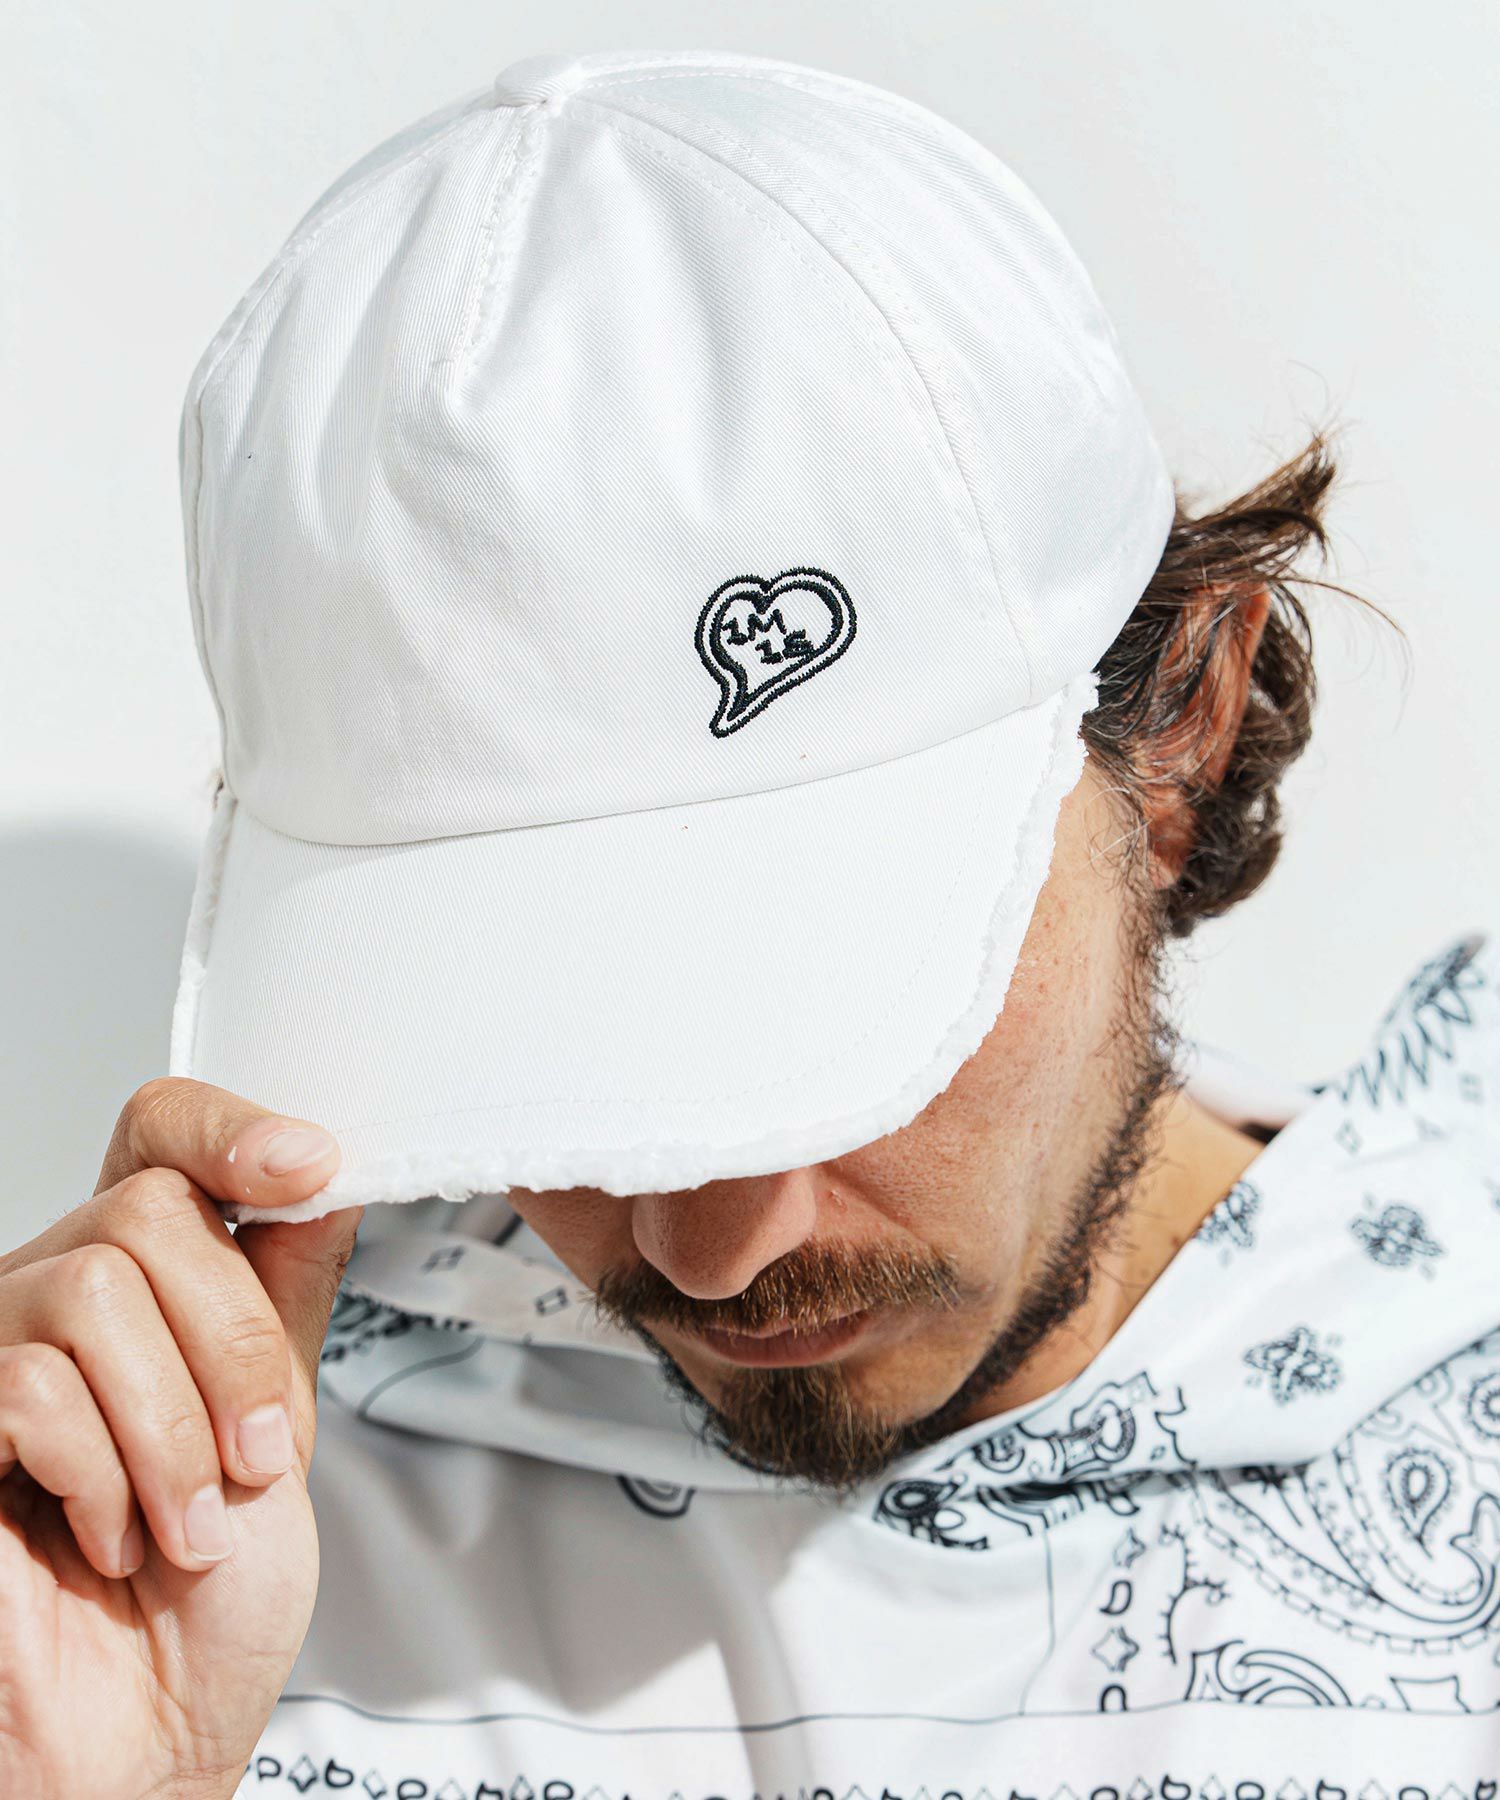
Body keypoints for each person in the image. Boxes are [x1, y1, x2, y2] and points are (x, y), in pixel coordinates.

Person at [1, 45, 1495, 1800]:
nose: (705, 1252)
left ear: (1180, 727)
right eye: (527, 1063)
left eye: (830, 1018)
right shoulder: (193, 1550)